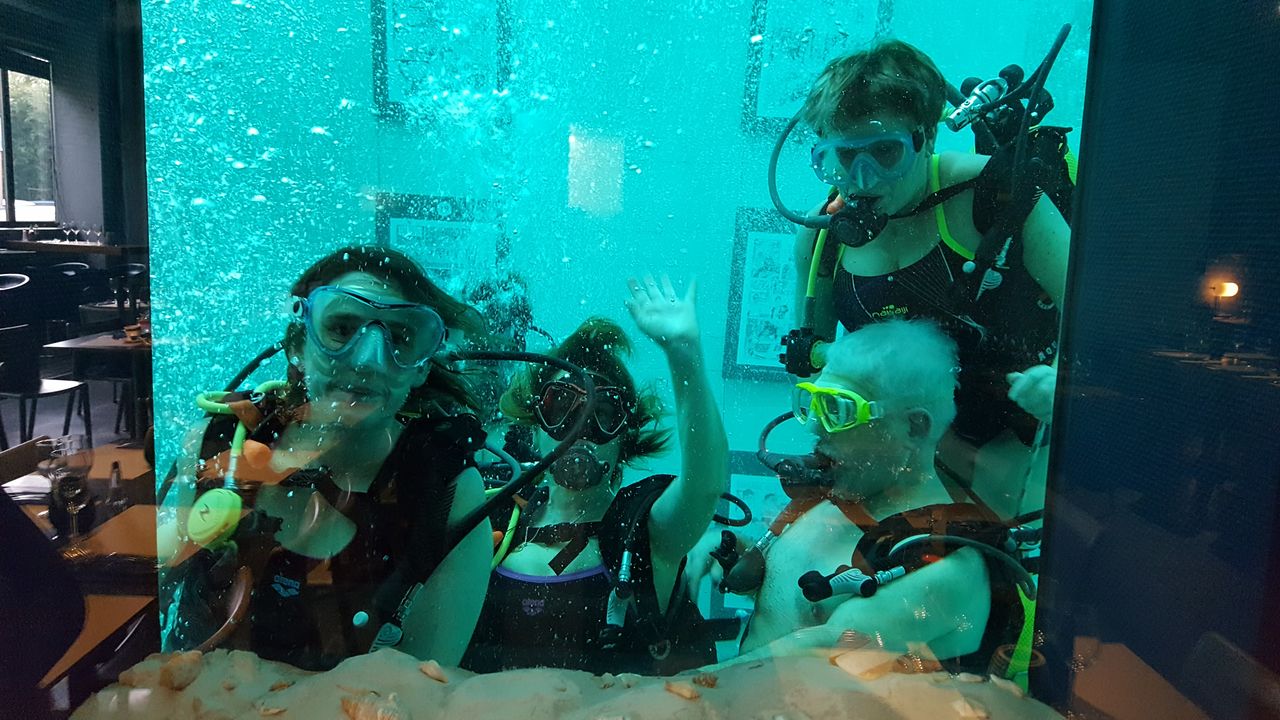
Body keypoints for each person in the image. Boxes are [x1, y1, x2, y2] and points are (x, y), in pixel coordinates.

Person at [157, 246, 492, 670]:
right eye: (342, 328)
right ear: (298, 345)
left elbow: (427, 684)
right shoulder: (217, 445)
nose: (368, 361)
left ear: (421, 368)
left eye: (401, 339)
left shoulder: (446, 488)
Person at [792, 39, 1068, 518]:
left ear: (928, 137)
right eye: (843, 158)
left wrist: (1064, 384)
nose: (862, 178)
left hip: (1024, 443)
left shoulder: (1000, 199)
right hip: (902, 456)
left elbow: (1098, 313)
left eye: (885, 152)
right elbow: (814, 365)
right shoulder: (822, 241)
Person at [462, 274, 728, 675]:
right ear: (533, 427)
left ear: (624, 436)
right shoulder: (491, 522)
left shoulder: (644, 536)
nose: (581, 431)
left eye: (602, 413)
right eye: (561, 407)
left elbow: (704, 487)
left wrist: (683, 353)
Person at [718, 320, 1021, 671]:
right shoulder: (833, 495)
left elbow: (814, 657)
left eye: (839, 409)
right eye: (813, 403)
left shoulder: (946, 568)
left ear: (914, 427)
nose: (815, 426)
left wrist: (667, 689)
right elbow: (786, 610)